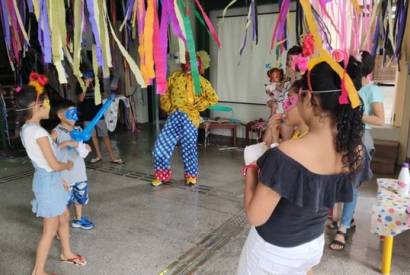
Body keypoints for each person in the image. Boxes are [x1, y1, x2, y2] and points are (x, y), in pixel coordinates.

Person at [238, 61, 364, 275]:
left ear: (310, 99)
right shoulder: (355, 150)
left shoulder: (286, 155)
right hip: (312, 244)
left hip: (274, 253)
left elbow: (255, 216)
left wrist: (250, 168)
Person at [16, 75, 87, 275]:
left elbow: (47, 159)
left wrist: (60, 179)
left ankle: (66, 252)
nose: (50, 105)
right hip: (48, 181)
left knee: (64, 216)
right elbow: (54, 164)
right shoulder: (37, 133)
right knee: (49, 229)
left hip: (51, 180)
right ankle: (38, 271)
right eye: (46, 102)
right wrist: (67, 165)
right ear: (37, 105)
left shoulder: (29, 129)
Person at [329, 51, 385, 251]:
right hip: (341, 135)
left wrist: (354, 116)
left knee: (351, 184)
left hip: (360, 138)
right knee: (338, 180)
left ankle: (343, 228)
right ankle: (344, 219)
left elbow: (380, 119)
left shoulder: (371, 90)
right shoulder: (344, 88)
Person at [152, 52, 219, 186]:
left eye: (194, 62)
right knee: (160, 147)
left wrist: (199, 106)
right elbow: (164, 92)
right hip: (174, 116)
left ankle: (191, 175)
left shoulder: (202, 82)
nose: (190, 65)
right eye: (188, 62)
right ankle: (162, 174)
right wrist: (168, 107)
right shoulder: (175, 77)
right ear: (184, 63)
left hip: (190, 118)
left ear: (199, 65)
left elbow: (213, 98)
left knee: (189, 148)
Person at [52, 100, 95, 230]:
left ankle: (78, 219)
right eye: (71, 113)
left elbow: (82, 150)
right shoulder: (56, 132)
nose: (75, 117)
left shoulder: (78, 129)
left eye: (76, 113)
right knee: (64, 202)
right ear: (60, 115)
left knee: (79, 199)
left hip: (79, 172)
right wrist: (65, 144)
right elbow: (48, 151)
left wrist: (86, 147)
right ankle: (60, 225)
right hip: (64, 175)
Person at [76, 70, 124, 164]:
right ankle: (99, 156)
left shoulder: (98, 82)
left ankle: (112, 157)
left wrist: (95, 88)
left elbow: (102, 97)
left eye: (91, 77)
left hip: (98, 113)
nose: (90, 79)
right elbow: (81, 99)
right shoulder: (79, 84)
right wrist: (85, 86)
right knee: (93, 136)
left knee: (105, 135)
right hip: (87, 114)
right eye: (87, 77)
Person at [264, 80, 308, 146]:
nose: (284, 106)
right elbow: (265, 145)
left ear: (307, 102)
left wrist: (275, 140)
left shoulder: (306, 141)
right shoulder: (298, 133)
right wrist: (273, 130)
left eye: (290, 101)